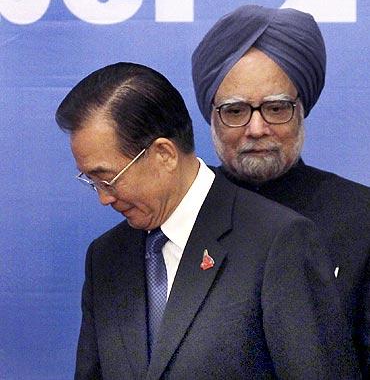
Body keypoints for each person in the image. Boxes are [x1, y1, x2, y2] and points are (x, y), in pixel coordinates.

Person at [55, 62, 359, 380]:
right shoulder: (106, 257)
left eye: (108, 179)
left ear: (164, 155)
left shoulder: (277, 242)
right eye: (92, 182)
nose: (105, 198)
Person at [192, 4, 370, 378]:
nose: (256, 129)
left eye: (275, 108)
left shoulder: (361, 217)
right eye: (236, 111)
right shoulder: (182, 212)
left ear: (302, 108)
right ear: (211, 115)